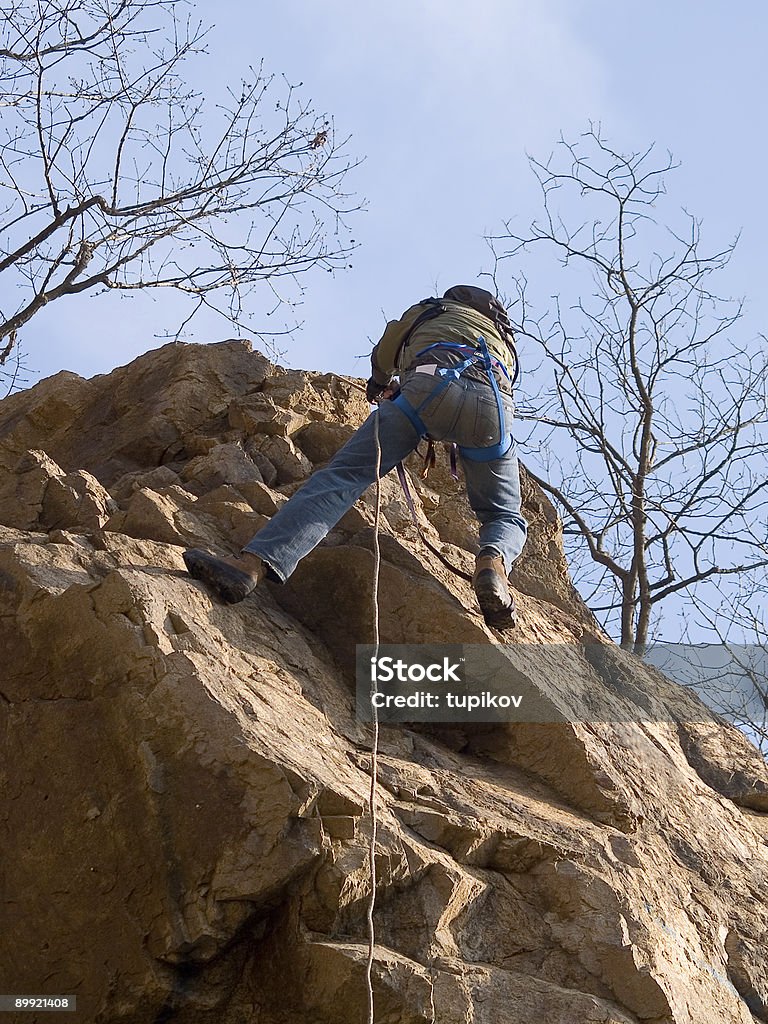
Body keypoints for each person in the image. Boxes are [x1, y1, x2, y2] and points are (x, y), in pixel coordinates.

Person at [183, 285, 528, 629]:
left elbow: (385, 353)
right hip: (494, 411)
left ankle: (250, 567)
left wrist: (380, 383)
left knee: (343, 479)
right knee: (504, 513)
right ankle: (493, 564)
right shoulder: (504, 346)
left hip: (426, 388)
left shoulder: (433, 310)